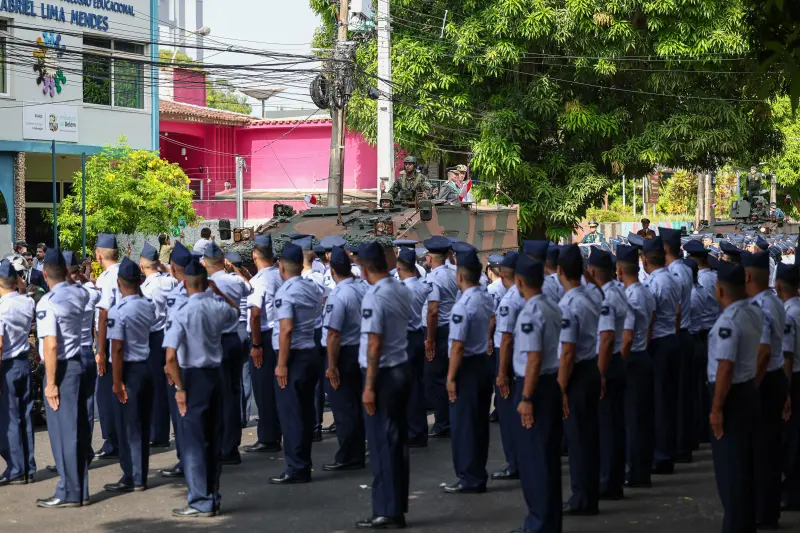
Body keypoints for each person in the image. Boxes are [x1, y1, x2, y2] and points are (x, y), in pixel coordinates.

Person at [163, 257, 239, 518]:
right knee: (214, 438)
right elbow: (236, 312)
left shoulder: (182, 311)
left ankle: (200, 500)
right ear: (206, 282)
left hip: (192, 377)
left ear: (185, 284)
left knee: (194, 441)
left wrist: (179, 388)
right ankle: (213, 495)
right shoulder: (217, 305)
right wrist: (218, 293)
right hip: (215, 375)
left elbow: (170, 356)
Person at [355, 241, 412, 530]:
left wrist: (368, 386)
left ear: (364, 269)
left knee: (382, 444)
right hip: (400, 367)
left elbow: (374, 343)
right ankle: (396, 504)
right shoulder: (399, 288)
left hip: (383, 374)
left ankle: (387, 511)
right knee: (396, 442)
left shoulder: (375, 297)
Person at [707, 261, 762, 533]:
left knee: (731, 473)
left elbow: (725, 367)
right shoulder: (754, 313)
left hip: (731, 396)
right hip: (747, 390)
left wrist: (717, 408)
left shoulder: (728, 321)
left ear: (720, 290)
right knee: (745, 467)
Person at [512, 253, 563, 533]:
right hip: (549, 382)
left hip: (536, 387)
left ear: (520, 281)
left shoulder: (532, 312)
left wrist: (526, 398)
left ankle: (539, 523)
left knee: (535, 460)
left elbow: (533, 357)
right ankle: (548, 521)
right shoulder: (552, 306)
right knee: (547, 457)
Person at [36, 248, 90, 508]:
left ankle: (68, 491)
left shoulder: (48, 301)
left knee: (63, 434)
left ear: (45, 273)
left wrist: (50, 383)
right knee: (77, 430)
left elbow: (51, 344)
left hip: (61, 368)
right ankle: (79, 489)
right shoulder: (80, 293)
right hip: (77, 363)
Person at [270, 241, 323, 484]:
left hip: (293, 357)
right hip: (310, 352)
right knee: (303, 413)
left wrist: (281, 363)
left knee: (291, 416)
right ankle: (303, 462)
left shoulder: (285, 292)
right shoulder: (311, 288)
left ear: (281, 267)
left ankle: (296, 467)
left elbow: (286, 329)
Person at [743, 250, 789, 529]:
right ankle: (768, 510)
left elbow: (762, 352)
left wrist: (752, 387)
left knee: (760, 452)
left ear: (748, 276)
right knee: (770, 450)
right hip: (775, 378)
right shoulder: (774, 302)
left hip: (764, 380)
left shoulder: (759, 306)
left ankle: (762, 511)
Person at [443, 247, 494, 494]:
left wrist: (451, 377)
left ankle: (469, 477)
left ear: (460, 276)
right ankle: (477, 473)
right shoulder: (485, 297)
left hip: (467, 367)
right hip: (483, 362)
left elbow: (457, 346)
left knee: (464, 425)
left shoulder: (462, 305)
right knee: (479, 423)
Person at [104, 258, 156, 493]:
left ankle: (132, 476)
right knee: (142, 424)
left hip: (129, 370)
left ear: (119, 283)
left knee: (128, 425)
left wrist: (116, 382)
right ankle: (140, 473)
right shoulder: (148, 305)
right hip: (146, 365)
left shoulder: (118, 310)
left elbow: (117, 348)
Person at [558, 244, 601, 515]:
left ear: (559, 271)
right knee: (588, 438)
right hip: (590, 368)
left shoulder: (568, 304)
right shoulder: (590, 297)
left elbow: (567, 352)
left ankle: (581, 498)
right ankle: (588, 495)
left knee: (578, 440)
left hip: (576, 374)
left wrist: (560, 388)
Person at [323, 246, 369, 471]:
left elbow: (333, 333)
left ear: (332, 270)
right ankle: (357, 452)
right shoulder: (362, 287)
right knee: (356, 405)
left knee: (344, 407)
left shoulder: (339, 294)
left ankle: (348, 455)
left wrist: (332, 366)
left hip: (344, 353)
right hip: (360, 349)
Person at [588, 247, 628, 501]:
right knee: (613, 425)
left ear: (593, 272)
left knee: (607, 427)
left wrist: (599, 375)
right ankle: (611, 479)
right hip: (616, 362)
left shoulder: (606, 298)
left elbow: (606, 339)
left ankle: (607, 482)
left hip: (607, 363)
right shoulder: (617, 291)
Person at [616, 245, 656, 488]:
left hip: (632, 359)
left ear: (620, 271)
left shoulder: (630, 296)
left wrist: (618, 363)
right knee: (641, 419)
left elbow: (627, 337)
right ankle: (642, 468)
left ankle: (638, 472)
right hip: (642, 355)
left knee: (633, 420)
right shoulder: (645, 291)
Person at [203, 243, 247, 465]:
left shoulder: (207, 286)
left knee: (217, 396)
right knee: (233, 393)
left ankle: (221, 445)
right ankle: (232, 446)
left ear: (204, 262)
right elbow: (248, 288)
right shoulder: (235, 281)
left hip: (215, 341)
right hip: (233, 338)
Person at [642, 236, 681, 475]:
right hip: (671, 339)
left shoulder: (653, 284)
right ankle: (666, 451)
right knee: (667, 401)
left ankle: (661, 455)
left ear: (645, 260)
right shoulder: (673, 279)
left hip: (658, 342)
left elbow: (650, 320)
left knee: (657, 402)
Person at [242, 235, 283, 454]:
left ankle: (268, 438)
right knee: (276, 388)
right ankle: (276, 431)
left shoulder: (260, 281)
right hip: (279, 336)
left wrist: (256, 344)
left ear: (255, 255)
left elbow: (255, 315)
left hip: (264, 338)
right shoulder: (280, 276)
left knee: (263, 390)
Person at [660, 227, 695, 464]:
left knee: (677, 397)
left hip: (678, 334)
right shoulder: (680, 270)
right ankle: (680, 444)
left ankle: (679, 446)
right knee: (679, 395)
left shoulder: (675, 273)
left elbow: (677, 310)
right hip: (681, 335)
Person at [0, 259, 36, 485]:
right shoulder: (26, 303)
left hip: (8, 366)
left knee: (10, 419)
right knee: (25, 416)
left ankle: (15, 468)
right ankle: (28, 468)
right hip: (24, 362)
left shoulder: (2, 307)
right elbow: (22, 291)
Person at [159, 241, 192, 479]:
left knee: (181, 415)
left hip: (181, 362)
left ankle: (186, 461)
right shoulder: (204, 292)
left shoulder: (177, 296)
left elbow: (173, 335)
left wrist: (170, 365)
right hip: (204, 364)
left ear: (173, 268)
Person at [139, 242, 176, 449]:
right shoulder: (168, 281)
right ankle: (161, 430)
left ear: (142, 264)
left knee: (155, 387)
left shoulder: (146, 287)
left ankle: (158, 433)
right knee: (166, 384)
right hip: (167, 334)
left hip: (152, 338)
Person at [683, 240, 719, 447]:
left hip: (702, 333)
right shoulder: (714, 277)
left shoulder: (702, 283)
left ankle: (701, 429)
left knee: (698, 387)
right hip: (710, 331)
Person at [492, 252, 524, 482]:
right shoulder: (527, 295)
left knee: (508, 412)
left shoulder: (510, 300)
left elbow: (506, 339)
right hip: (523, 358)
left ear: (502, 274)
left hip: (509, 359)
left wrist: (502, 373)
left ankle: (515, 462)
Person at [294, 235, 330, 443]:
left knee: (302, 381)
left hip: (303, 331)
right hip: (317, 329)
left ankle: (307, 425)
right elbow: (325, 301)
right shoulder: (319, 276)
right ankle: (314, 425)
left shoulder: (301, 281)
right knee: (314, 382)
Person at [423, 236, 459, 438]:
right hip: (451, 328)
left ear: (430, 257)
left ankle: (442, 422)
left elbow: (433, 310)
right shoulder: (454, 273)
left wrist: (430, 338)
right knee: (448, 375)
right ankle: (449, 418)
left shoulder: (434, 278)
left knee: (435, 379)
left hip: (439, 330)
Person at [396, 246, 430, 448]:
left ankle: (413, 431)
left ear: (400, 267)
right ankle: (419, 430)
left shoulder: (401, 290)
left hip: (406, 338)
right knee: (417, 385)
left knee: (407, 388)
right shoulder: (422, 285)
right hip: (418, 334)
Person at [94, 233, 121, 460]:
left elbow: (103, 315)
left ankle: (112, 441)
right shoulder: (125, 273)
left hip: (109, 339)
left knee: (105, 393)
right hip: (126, 338)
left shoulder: (104, 279)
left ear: (99, 255)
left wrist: (100, 349)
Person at [778, 263, 800, 511]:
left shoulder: (788, 314)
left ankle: (792, 492)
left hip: (794, 379)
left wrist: (784, 393)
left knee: (791, 440)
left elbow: (787, 356)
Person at [224, 251, 254, 430]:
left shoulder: (227, 282)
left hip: (232, 328)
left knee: (231, 375)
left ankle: (236, 415)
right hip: (244, 328)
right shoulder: (245, 282)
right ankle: (245, 415)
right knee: (245, 375)